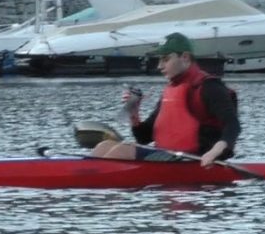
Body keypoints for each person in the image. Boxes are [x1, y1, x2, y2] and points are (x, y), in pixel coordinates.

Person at [90, 32, 239, 167]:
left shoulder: (210, 87)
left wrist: (214, 152)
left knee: (121, 151)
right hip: (168, 155)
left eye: (165, 59)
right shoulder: (172, 90)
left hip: (197, 159)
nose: (159, 66)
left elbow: (233, 125)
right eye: (159, 60)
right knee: (104, 146)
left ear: (185, 57)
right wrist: (134, 114)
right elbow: (144, 138)